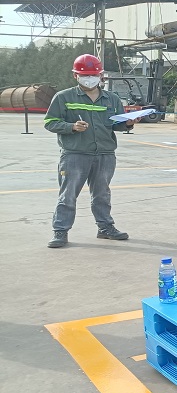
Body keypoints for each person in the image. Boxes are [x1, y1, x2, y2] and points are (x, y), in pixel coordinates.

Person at [43, 54, 134, 248]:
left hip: (105, 154)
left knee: (102, 194)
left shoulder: (112, 99)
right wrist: (71, 127)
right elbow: (50, 122)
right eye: (85, 75)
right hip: (75, 154)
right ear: (75, 75)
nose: (90, 79)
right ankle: (60, 231)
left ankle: (105, 228)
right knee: (68, 195)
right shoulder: (63, 97)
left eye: (94, 75)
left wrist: (127, 123)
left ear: (100, 75)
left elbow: (116, 125)